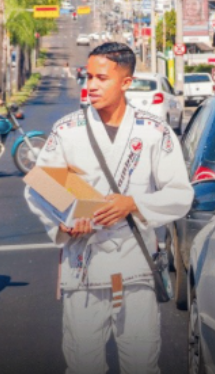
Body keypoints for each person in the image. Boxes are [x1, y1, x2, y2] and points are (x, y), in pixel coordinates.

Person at [25, 42, 193, 374]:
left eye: (102, 78)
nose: (91, 86)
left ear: (126, 82)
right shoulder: (67, 131)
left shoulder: (153, 132)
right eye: (88, 77)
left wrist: (134, 203)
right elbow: (39, 187)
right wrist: (68, 223)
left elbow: (180, 194)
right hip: (83, 267)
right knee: (83, 364)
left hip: (136, 267)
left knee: (142, 364)